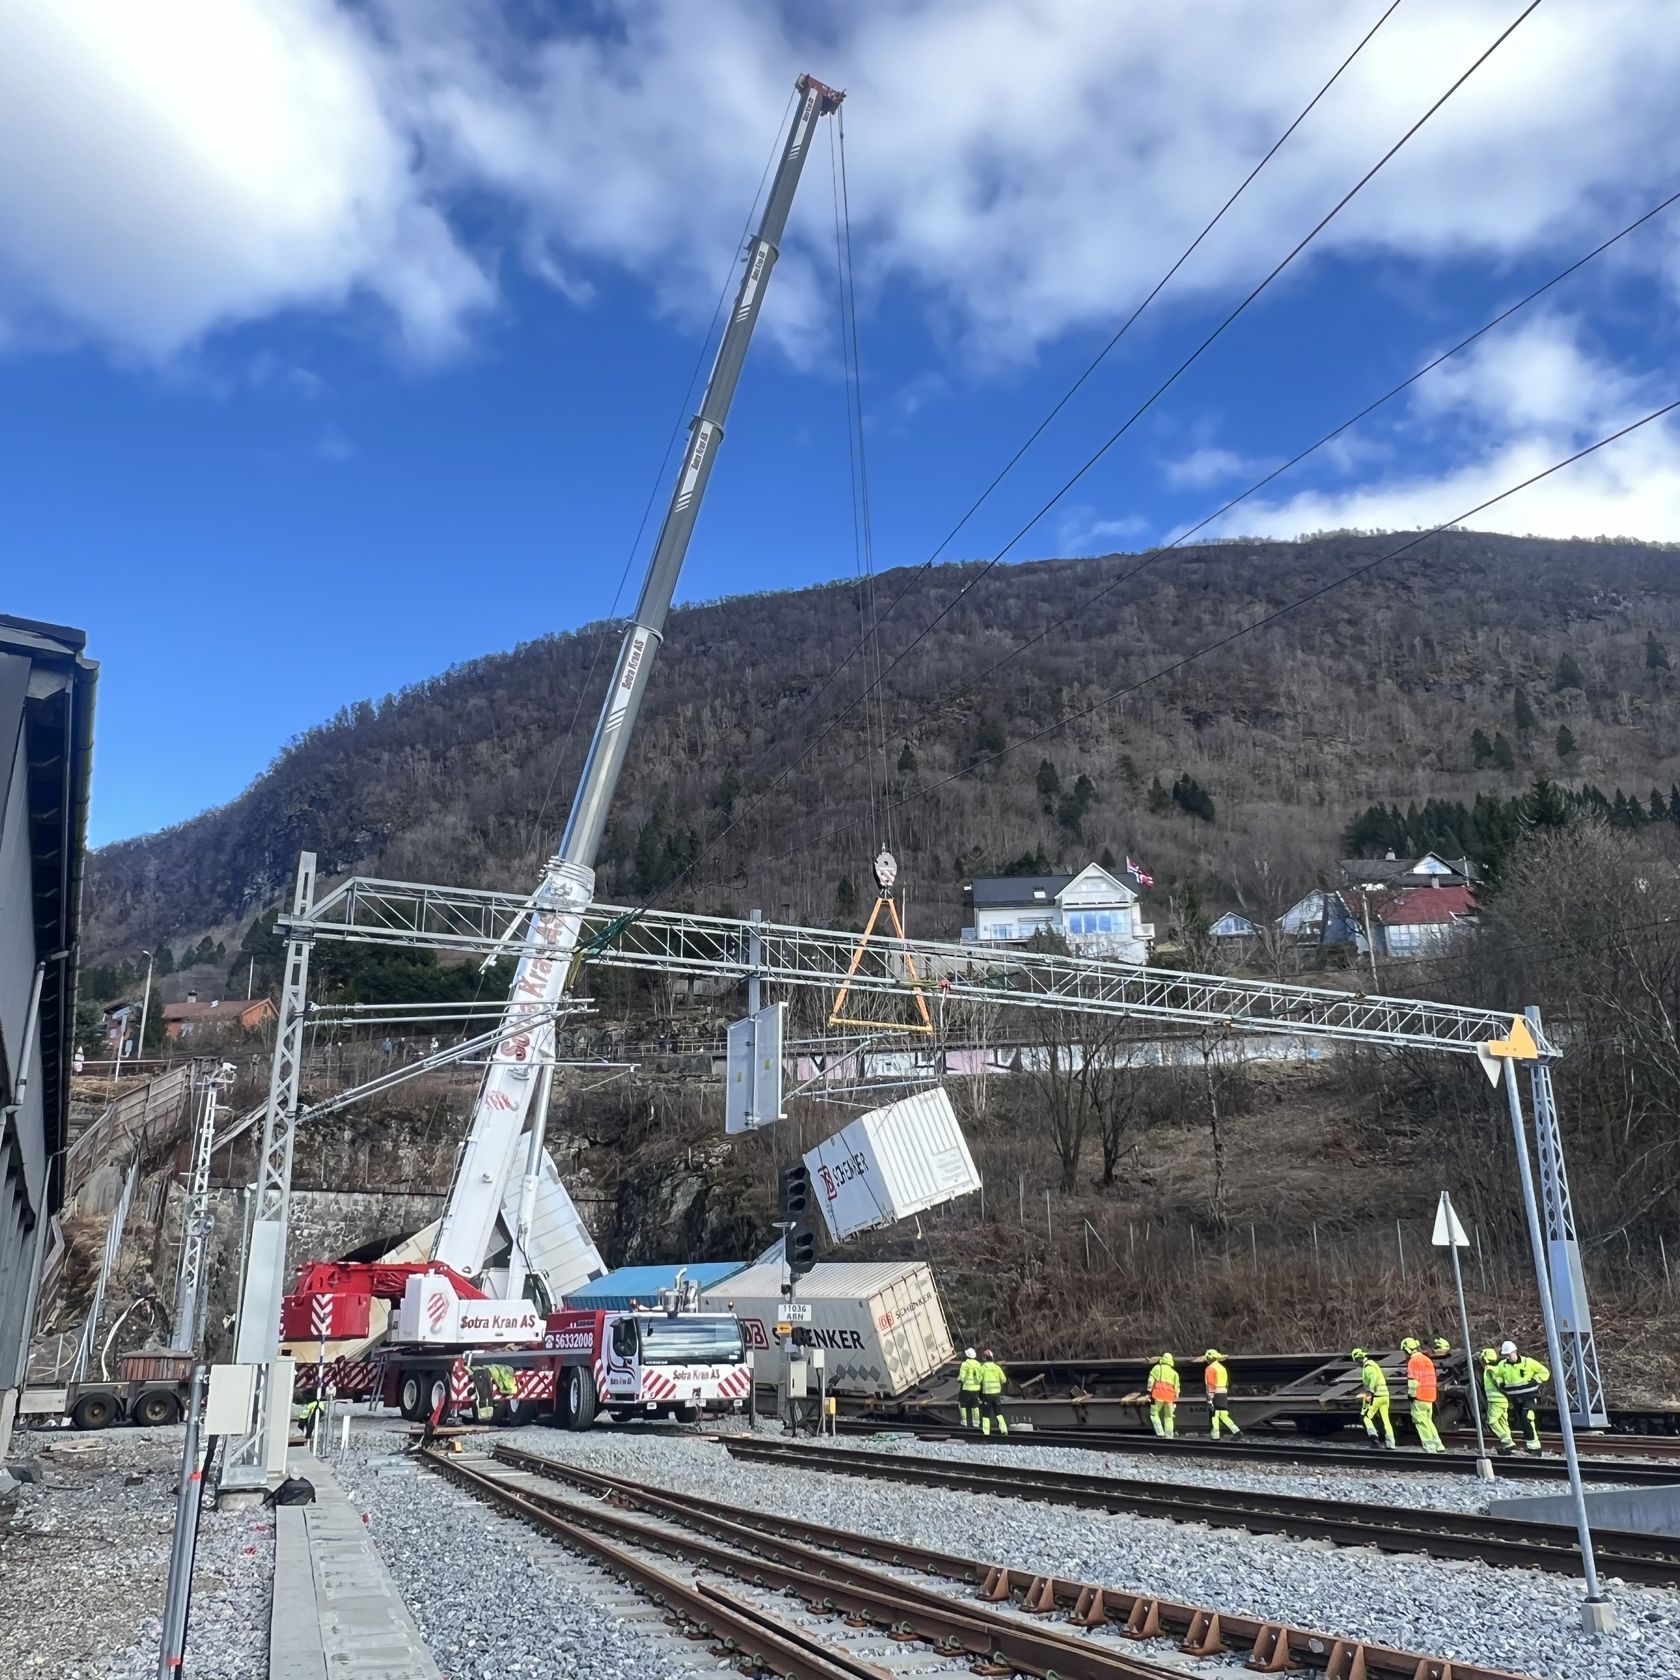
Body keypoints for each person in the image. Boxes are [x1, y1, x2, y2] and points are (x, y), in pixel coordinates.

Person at [1495, 1339, 1551, 1455]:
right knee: (1522, 1421)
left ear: (1515, 1351)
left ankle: (1535, 1448)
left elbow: (1544, 1372)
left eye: (1509, 1354)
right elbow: (1498, 1376)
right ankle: (1530, 1446)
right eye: (1506, 1355)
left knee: (1527, 1418)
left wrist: (1535, 1381)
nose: (1508, 1357)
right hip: (1515, 1398)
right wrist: (1500, 1383)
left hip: (1529, 1396)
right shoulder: (1502, 1365)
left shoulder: (1528, 1362)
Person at [1401, 1336, 1444, 1453]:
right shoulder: (1427, 1360)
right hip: (1430, 1395)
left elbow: (1413, 1381)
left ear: (1407, 1349)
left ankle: (1429, 1447)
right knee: (1428, 1421)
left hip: (1419, 1396)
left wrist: (1411, 1394)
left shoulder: (1412, 1361)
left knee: (1420, 1421)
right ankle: (1438, 1444)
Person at [1352, 1347, 1395, 1449]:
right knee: (1386, 1420)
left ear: (1358, 1359)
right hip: (1385, 1395)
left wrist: (1370, 1392)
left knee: (1366, 1417)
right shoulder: (1374, 1364)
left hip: (1376, 1396)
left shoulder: (1368, 1366)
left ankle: (1374, 1438)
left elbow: (1373, 1378)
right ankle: (1391, 1443)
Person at [1480, 1347, 1516, 1452]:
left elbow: (1499, 1384)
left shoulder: (1490, 1370)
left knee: (1491, 1421)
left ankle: (1506, 1440)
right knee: (1503, 1422)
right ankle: (1509, 1445)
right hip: (1503, 1400)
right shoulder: (1498, 1368)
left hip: (1496, 1400)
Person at [1202, 1350, 1240, 1440]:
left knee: (1214, 1415)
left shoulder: (1210, 1368)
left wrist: (1209, 1397)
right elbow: (1226, 1382)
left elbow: (1211, 1383)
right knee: (1223, 1415)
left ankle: (1215, 1436)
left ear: (1209, 1358)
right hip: (1223, 1393)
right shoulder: (1222, 1368)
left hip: (1215, 1394)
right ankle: (1237, 1432)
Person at [1146, 1351, 1179, 1438]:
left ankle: (1160, 1433)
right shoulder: (1174, 1373)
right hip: (1170, 1397)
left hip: (1158, 1395)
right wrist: (1175, 1400)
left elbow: (1150, 1381)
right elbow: (1177, 1388)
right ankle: (1169, 1435)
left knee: (1154, 1414)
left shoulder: (1157, 1368)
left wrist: (1149, 1392)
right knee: (1169, 1417)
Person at [978, 1348, 1008, 1437]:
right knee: (998, 1413)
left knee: (986, 1414)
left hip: (987, 1394)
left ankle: (986, 1432)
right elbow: (1004, 1380)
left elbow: (978, 1380)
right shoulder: (997, 1367)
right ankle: (1004, 1429)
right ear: (992, 1358)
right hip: (996, 1395)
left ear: (984, 1358)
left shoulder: (983, 1368)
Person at [957, 1347, 984, 1429]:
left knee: (963, 1405)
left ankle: (964, 1422)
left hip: (967, 1388)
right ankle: (976, 1423)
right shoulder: (978, 1364)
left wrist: (958, 1379)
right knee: (975, 1406)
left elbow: (961, 1377)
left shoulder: (965, 1364)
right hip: (976, 1389)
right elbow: (981, 1376)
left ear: (967, 1355)